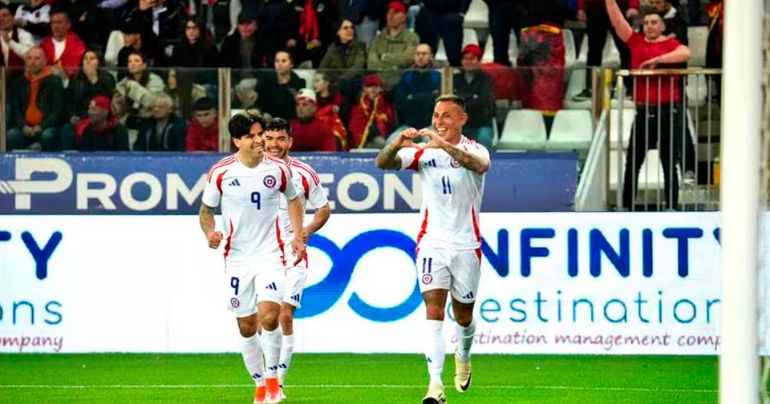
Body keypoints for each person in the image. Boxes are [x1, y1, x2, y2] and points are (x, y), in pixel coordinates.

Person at [375, 94, 490, 404]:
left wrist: (446, 146)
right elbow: (382, 163)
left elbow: (478, 166)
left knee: (463, 315)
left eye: (447, 115)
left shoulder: (475, 149)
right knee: (434, 312)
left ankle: (463, 354)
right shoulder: (424, 153)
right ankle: (435, 387)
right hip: (431, 243)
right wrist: (395, 144)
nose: (439, 121)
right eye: (437, 114)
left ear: (462, 119)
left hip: (466, 244)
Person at [198, 111, 306, 404]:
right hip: (237, 259)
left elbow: (294, 199)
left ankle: (273, 382)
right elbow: (206, 212)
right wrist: (210, 233)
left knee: (270, 317)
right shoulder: (221, 173)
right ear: (237, 141)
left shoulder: (278, 170)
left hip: (271, 255)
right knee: (246, 326)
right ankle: (259, 385)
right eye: (253, 136)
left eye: (261, 134)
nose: (261, 140)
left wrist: (297, 236)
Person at [263, 117, 331, 400]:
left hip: (292, 254)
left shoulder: (304, 173)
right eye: (269, 139)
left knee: (284, 315)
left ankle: (277, 382)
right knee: (263, 319)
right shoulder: (251, 172)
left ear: (290, 141)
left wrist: (305, 232)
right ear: (262, 140)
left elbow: (323, 209)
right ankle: (268, 378)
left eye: (280, 139)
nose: (274, 145)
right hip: (261, 254)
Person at [605, 0, 691, 210]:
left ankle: (672, 206)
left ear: (662, 26)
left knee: (669, 162)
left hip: (668, 112)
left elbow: (686, 53)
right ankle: (627, 207)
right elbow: (618, 22)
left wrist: (658, 60)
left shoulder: (671, 44)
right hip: (643, 112)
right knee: (633, 162)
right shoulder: (636, 42)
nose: (650, 26)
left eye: (654, 22)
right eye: (646, 23)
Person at [6, 46, 64, 151]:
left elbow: (57, 111)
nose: (33, 62)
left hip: (46, 127)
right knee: (12, 135)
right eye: (30, 58)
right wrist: (23, 126)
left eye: (37, 58)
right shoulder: (20, 82)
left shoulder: (55, 81)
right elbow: (16, 109)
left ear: (45, 61)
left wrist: (41, 126)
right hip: (25, 127)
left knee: (48, 135)